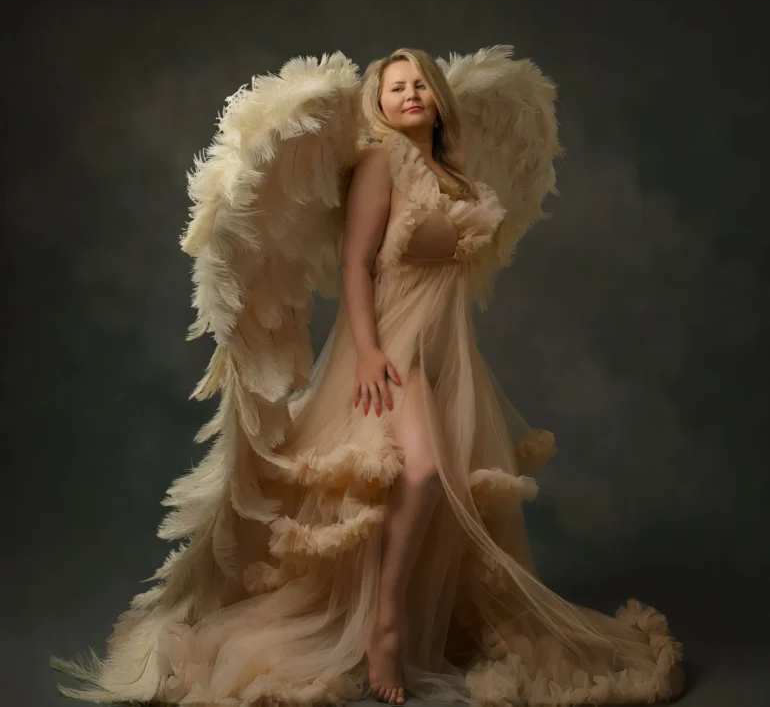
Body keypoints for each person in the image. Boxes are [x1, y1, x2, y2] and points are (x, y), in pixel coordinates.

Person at [51, 47, 685, 706]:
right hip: (392, 346)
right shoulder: (379, 166)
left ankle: (420, 622)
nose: (408, 95)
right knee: (421, 474)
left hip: (451, 354)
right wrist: (371, 351)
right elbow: (356, 265)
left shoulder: (452, 177)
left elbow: (455, 269)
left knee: (453, 486)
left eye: (418, 85)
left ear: (438, 96)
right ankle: (385, 622)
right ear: (376, 105)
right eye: (394, 88)